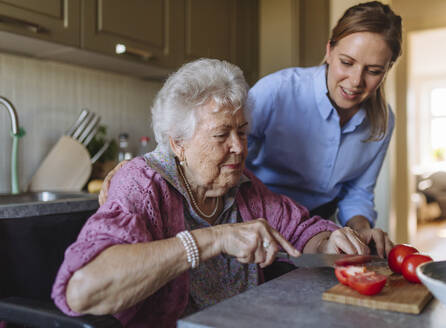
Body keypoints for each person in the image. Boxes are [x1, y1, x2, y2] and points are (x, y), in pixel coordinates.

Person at [51, 58, 369, 327]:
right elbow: (83, 291)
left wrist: (329, 241)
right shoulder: (143, 183)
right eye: (221, 135)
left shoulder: (242, 185)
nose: (238, 147)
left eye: (242, 132)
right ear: (178, 143)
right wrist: (212, 239)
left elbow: (299, 230)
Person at [247, 1, 401, 258]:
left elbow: (358, 191)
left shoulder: (383, 122)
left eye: (373, 71)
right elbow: (232, 160)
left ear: (387, 70)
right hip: (260, 218)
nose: (355, 81)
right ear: (329, 50)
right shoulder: (276, 92)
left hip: (320, 228)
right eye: (347, 62)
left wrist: (361, 229)